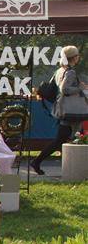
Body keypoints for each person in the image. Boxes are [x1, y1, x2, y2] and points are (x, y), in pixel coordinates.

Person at [32, 45, 87, 175]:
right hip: (71, 110)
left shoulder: (59, 70)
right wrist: (81, 88)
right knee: (66, 138)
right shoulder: (70, 72)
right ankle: (37, 162)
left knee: (70, 137)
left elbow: (54, 88)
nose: (79, 57)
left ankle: (39, 162)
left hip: (64, 109)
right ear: (74, 57)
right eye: (77, 55)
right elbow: (65, 89)